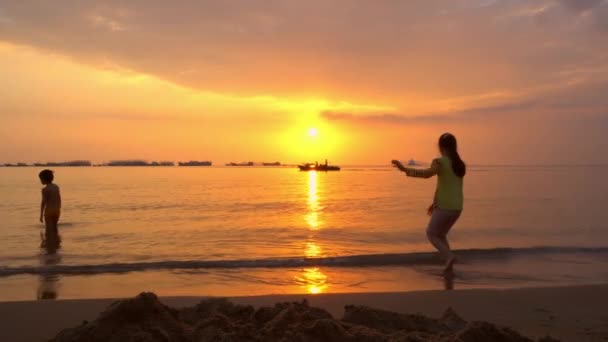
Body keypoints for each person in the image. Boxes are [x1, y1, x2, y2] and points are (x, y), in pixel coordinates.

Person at [392, 133, 466, 274]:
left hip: (445, 206)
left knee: (431, 233)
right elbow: (447, 186)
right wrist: (434, 203)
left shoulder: (440, 162)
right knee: (441, 234)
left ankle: (449, 256)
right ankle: (448, 264)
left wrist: (404, 169)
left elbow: (426, 174)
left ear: (441, 147)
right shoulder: (459, 164)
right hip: (457, 207)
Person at [39, 169, 61, 248]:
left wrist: (41, 215)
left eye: (40, 179)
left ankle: (48, 244)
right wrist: (58, 209)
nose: (40, 181)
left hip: (49, 212)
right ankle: (56, 243)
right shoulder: (56, 187)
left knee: (48, 230)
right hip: (57, 211)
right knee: (55, 228)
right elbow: (59, 199)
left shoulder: (45, 189)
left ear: (44, 179)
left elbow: (43, 202)